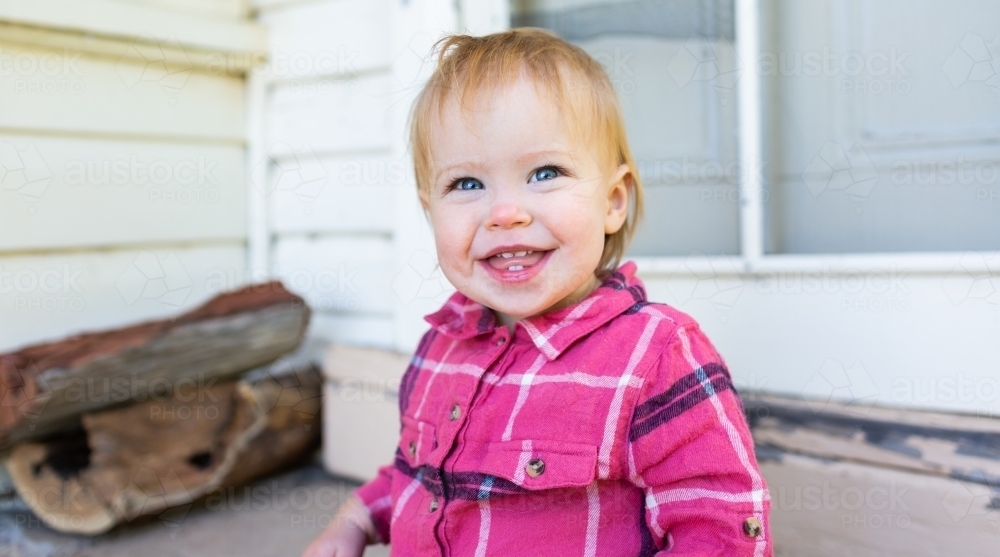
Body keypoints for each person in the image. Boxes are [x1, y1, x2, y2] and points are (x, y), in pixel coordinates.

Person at [302, 28, 771, 557]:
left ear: (614, 200)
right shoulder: (442, 346)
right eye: (467, 184)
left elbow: (720, 526)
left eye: (545, 173)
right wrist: (354, 520)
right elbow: (419, 476)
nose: (506, 213)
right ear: (429, 209)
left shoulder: (656, 356)